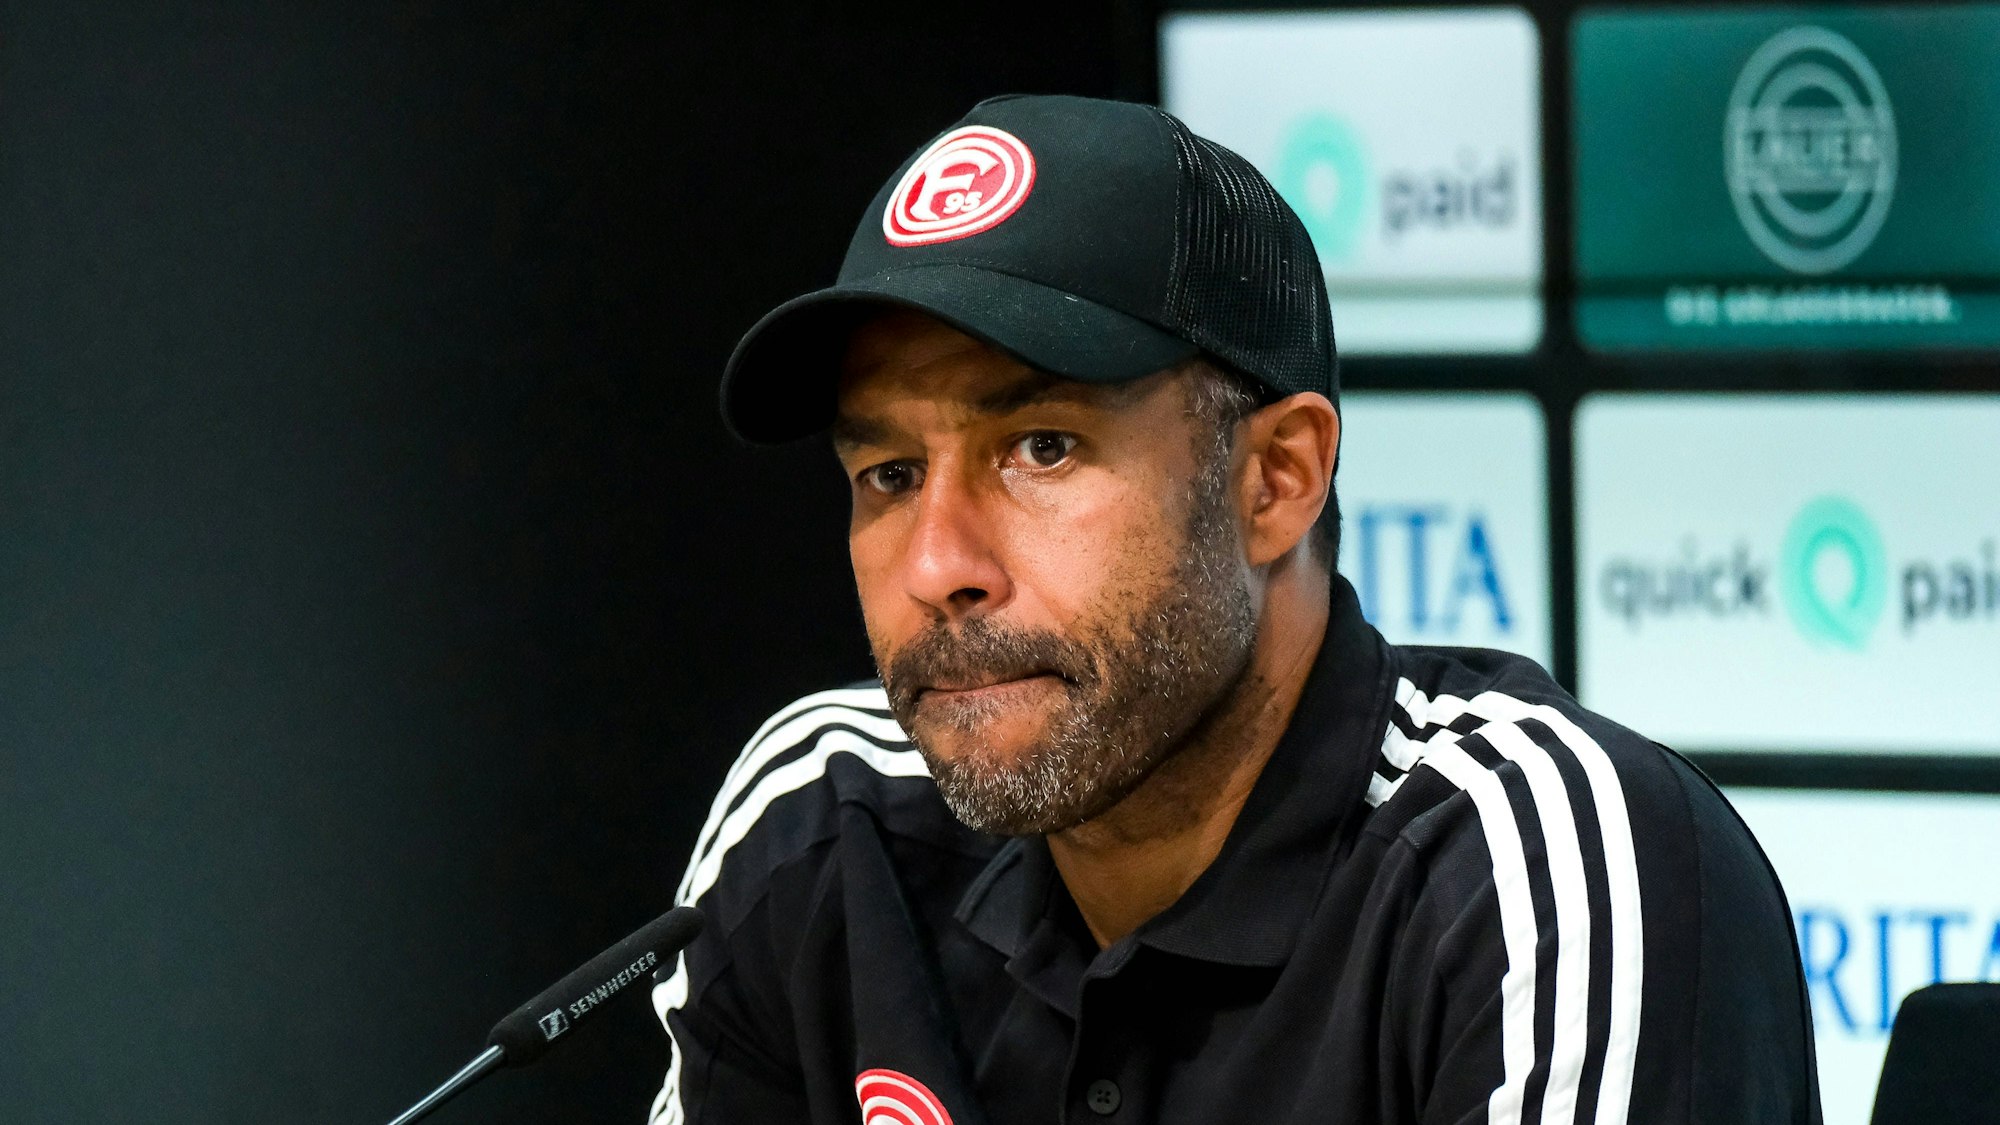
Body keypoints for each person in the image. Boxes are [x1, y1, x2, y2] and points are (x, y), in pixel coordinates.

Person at [648, 94, 1821, 1125]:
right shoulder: (820, 815)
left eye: (1041, 448)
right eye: (889, 475)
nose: (936, 565)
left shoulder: (1541, 868)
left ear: (1275, 479)